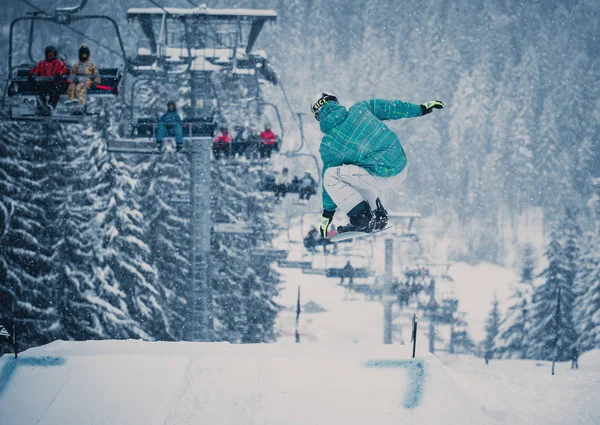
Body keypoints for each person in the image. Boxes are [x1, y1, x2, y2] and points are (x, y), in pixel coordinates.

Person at [312, 92, 444, 237]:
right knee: (352, 173)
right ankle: (377, 215)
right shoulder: (360, 109)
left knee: (331, 176)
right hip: (401, 165)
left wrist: (327, 214)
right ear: (336, 103)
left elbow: (328, 185)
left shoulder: (328, 144)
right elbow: (390, 108)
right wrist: (420, 109)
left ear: (318, 116)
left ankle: (361, 219)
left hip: (382, 175)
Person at [29, 45, 69, 115]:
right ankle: (42, 105)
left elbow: (64, 69)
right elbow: (36, 69)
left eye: (52, 54)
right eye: (49, 54)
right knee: (40, 87)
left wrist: (59, 74)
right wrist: (33, 74)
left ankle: (50, 106)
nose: (51, 56)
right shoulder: (42, 63)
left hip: (55, 82)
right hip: (45, 82)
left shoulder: (58, 63)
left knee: (57, 88)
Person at [66, 45, 100, 113]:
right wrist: (73, 79)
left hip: (87, 81)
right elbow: (71, 75)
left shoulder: (91, 66)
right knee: (71, 86)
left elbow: (97, 75)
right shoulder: (76, 66)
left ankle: (81, 103)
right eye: (82, 55)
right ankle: (72, 100)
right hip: (77, 80)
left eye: (84, 55)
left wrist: (95, 82)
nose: (83, 57)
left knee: (80, 86)